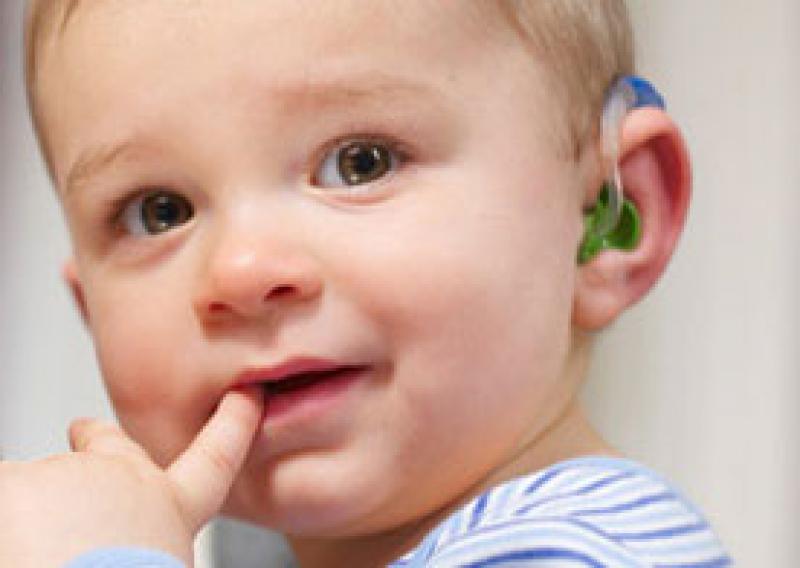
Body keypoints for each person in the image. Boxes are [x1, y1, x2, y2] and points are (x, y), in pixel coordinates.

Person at [5, 0, 730, 566]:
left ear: (608, 217)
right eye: (158, 212)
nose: (243, 272)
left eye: (362, 162)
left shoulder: (581, 550)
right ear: (88, 309)